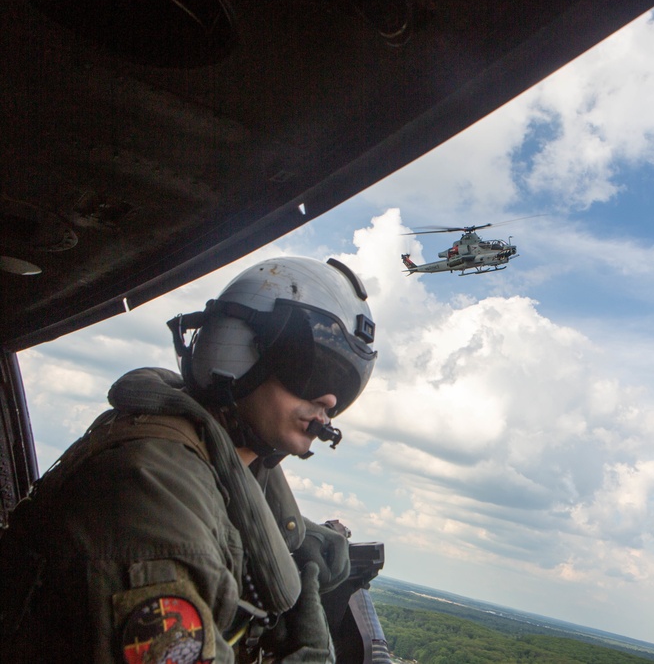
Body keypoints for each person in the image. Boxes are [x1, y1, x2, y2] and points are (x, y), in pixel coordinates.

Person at [0, 256, 377, 663]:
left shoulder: (213, 463)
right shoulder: (149, 489)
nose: (330, 399)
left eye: (346, 382)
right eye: (313, 367)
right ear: (237, 348)